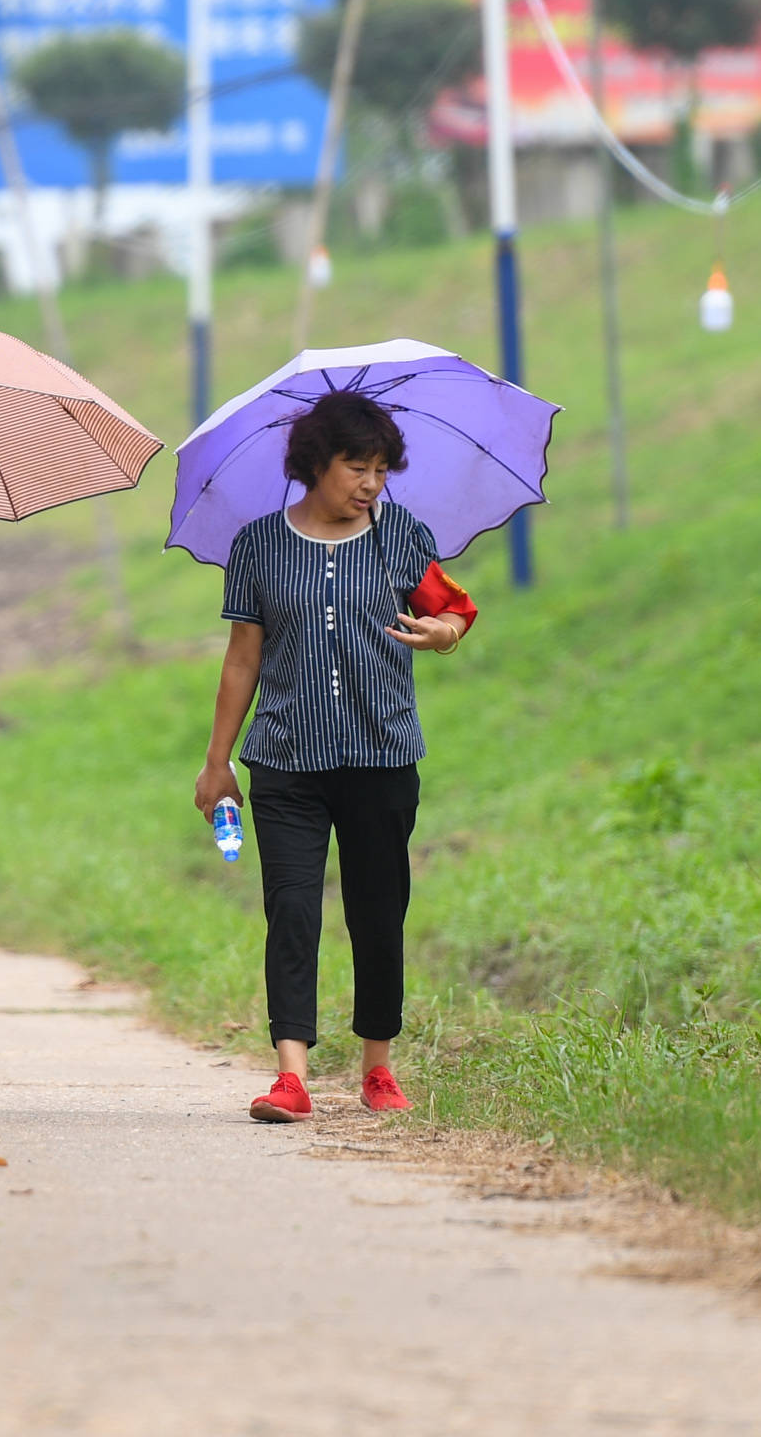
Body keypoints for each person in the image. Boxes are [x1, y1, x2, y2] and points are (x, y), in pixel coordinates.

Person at [195, 389, 475, 1124]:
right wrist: (217, 761)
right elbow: (241, 659)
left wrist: (443, 634)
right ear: (315, 463)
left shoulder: (398, 536)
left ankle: (378, 1069)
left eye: (382, 469)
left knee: (378, 913)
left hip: (382, 758)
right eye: (357, 466)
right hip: (285, 760)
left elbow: (453, 610)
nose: (370, 484)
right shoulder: (257, 546)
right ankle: (290, 1075)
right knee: (291, 910)